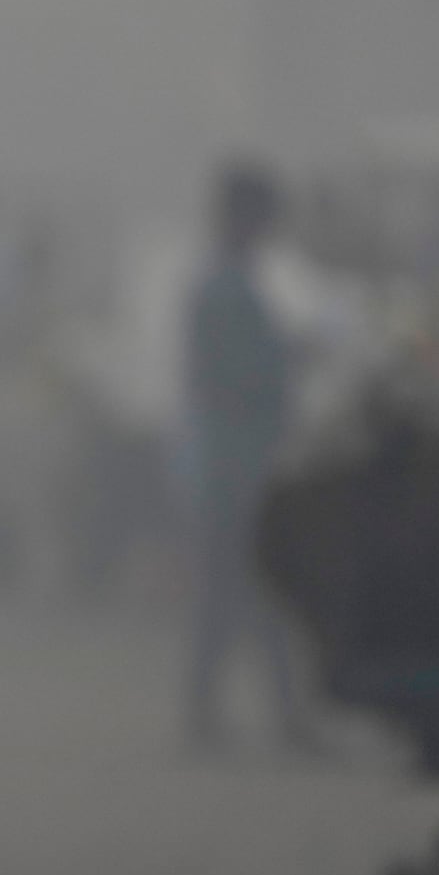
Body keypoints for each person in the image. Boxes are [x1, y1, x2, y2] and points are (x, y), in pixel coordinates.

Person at [181, 159, 311, 749]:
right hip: (241, 466)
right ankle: (268, 719)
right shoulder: (226, 291)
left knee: (237, 597)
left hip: (231, 465)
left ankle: (224, 715)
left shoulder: (224, 285)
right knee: (257, 595)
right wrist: (290, 361)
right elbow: (235, 380)